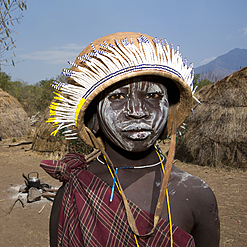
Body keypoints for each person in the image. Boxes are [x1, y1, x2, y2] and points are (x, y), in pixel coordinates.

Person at [40, 32, 220, 247]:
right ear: (94, 119)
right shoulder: (74, 192)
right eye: (117, 97)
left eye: (153, 96)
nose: (137, 111)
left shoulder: (197, 195)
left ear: (167, 114)